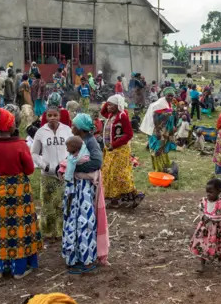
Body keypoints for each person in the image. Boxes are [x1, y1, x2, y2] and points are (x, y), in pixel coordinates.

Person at [0, 107, 42, 278]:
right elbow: (29, 169)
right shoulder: (20, 144)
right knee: (20, 226)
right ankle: (19, 269)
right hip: (19, 190)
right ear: (11, 124)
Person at [63, 114, 108, 273]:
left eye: (74, 125)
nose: (71, 127)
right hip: (74, 188)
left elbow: (97, 163)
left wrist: (74, 168)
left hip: (84, 189)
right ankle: (73, 256)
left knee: (85, 221)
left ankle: (86, 258)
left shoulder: (90, 142)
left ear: (81, 128)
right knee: (72, 219)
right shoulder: (77, 140)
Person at [31, 106, 73, 238]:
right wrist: (45, 166)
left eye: (55, 115)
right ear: (46, 117)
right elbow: (34, 153)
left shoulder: (67, 130)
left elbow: (73, 149)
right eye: (50, 115)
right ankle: (47, 232)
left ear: (59, 116)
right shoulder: (40, 132)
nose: (52, 118)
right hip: (47, 174)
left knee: (63, 204)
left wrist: (67, 164)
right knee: (47, 204)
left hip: (64, 174)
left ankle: (62, 232)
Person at [100, 95, 143, 208]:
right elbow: (102, 111)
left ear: (118, 106)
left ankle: (131, 194)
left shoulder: (122, 116)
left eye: (111, 105)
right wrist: (110, 100)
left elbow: (129, 134)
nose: (108, 107)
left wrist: (114, 145)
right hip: (110, 150)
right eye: (108, 105)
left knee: (119, 173)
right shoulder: (110, 115)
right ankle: (114, 198)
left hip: (120, 150)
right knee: (108, 173)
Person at [190, 178, 221, 272]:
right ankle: (202, 265)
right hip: (205, 228)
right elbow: (200, 211)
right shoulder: (203, 201)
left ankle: (219, 258)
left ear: (219, 191)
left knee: (218, 244)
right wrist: (203, 217)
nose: (208, 194)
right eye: (207, 192)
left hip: (217, 229)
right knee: (202, 244)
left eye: (211, 192)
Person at [143, 88, 177, 173]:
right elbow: (155, 116)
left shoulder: (168, 103)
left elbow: (168, 115)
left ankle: (164, 165)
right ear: (164, 95)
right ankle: (158, 168)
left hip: (163, 128)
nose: (170, 97)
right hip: (156, 128)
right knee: (157, 148)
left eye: (172, 96)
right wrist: (157, 130)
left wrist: (171, 127)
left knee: (163, 146)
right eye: (169, 95)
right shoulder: (160, 104)